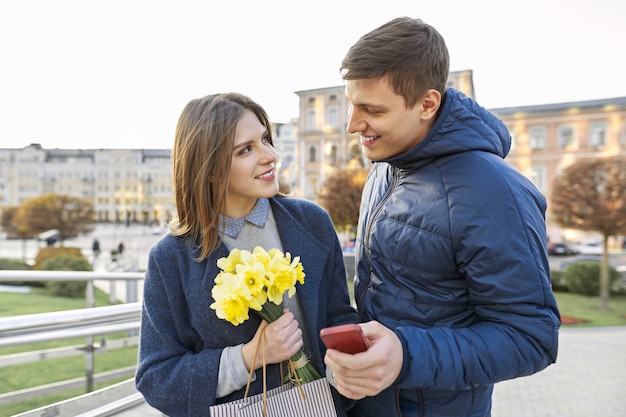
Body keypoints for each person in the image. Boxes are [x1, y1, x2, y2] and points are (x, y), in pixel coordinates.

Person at [323, 17, 561, 417]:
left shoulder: (496, 193)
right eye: (351, 103)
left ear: (428, 104)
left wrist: (405, 356)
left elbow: (530, 338)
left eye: (372, 110)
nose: (352, 124)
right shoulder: (385, 166)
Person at [135, 92, 359, 416]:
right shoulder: (170, 258)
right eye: (246, 150)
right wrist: (249, 356)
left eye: (266, 139)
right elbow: (157, 379)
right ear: (210, 168)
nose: (269, 156)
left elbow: (339, 319)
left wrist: (348, 374)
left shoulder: (313, 222)